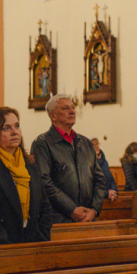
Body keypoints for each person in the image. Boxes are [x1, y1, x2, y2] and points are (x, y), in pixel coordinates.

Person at [0, 107, 53, 246]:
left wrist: (39, 239)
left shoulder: (29, 165)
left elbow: (44, 207)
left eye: (17, 126)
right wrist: (7, 244)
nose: (14, 132)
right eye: (6, 128)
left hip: (31, 244)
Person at [31, 94, 105, 224]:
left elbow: (99, 179)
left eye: (72, 107)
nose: (72, 111)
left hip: (88, 218)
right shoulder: (43, 143)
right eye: (65, 108)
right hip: (58, 219)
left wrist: (94, 210)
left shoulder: (86, 143)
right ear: (53, 115)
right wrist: (71, 209)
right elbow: (44, 182)